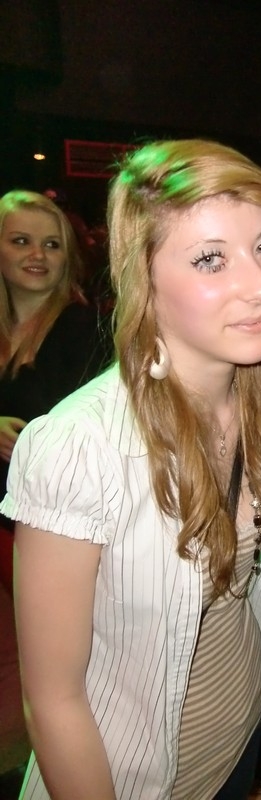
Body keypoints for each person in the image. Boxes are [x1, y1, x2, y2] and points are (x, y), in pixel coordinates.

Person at [1, 139, 261, 800]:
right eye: (210, 259)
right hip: (138, 779)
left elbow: (258, 543)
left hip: (239, 740)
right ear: (143, 277)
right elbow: (53, 702)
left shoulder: (260, 390)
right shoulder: (81, 447)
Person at [0, 189, 111, 594]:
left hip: (58, 533)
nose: (38, 255)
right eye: (21, 241)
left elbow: (102, 440)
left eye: (52, 245)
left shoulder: (88, 331)